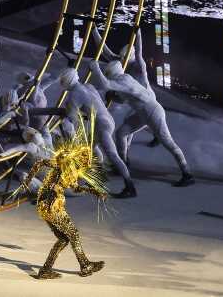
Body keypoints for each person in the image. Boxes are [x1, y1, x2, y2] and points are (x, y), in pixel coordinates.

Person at [86, 29, 194, 186]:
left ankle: (187, 173)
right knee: (122, 133)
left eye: (124, 57)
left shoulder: (135, 68)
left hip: (150, 108)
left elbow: (137, 55)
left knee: (168, 142)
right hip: (141, 110)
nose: (121, 59)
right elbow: (106, 52)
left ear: (129, 55)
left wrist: (139, 34)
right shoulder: (121, 70)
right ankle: (123, 163)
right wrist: (94, 31)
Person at [11, 117, 107, 280]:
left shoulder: (71, 169)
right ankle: (84, 266)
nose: (86, 164)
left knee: (64, 238)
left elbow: (74, 187)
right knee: (73, 234)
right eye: (86, 160)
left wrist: (94, 191)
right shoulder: (66, 165)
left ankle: (45, 270)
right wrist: (28, 180)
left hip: (46, 204)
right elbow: (40, 162)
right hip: (52, 204)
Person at [57, 68, 135, 198]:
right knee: (89, 149)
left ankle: (130, 187)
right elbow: (93, 104)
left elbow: (72, 118)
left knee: (113, 156)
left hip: (101, 125)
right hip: (107, 120)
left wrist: (67, 108)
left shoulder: (74, 95)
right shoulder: (88, 86)